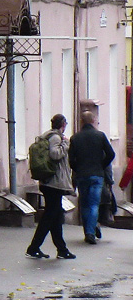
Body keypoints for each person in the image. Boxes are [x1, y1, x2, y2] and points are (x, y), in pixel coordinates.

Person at [26, 114, 75, 260]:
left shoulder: (49, 136)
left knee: (56, 215)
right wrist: (66, 145)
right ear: (63, 124)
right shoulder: (55, 138)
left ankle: (61, 249)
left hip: (50, 182)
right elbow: (55, 154)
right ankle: (33, 247)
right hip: (53, 183)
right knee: (50, 216)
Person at [68, 110, 116, 244]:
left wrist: (78, 169)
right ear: (93, 121)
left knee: (84, 203)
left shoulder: (75, 138)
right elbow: (111, 154)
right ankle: (91, 231)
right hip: (97, 175)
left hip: (82, 175)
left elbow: (71, 160)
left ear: (81, 121)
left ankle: (88, 230)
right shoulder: (100, 136)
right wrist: (101, 165)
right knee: (94, 204)